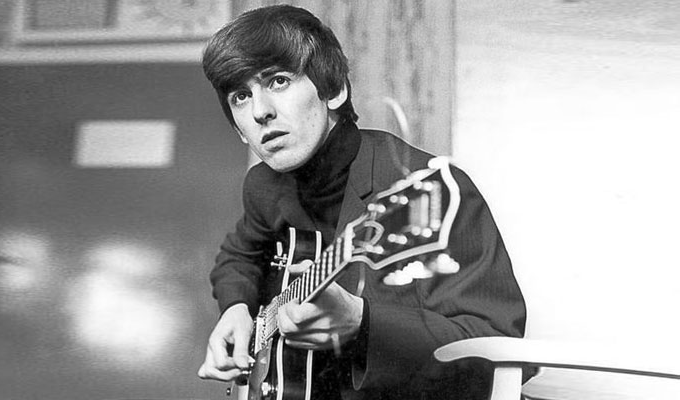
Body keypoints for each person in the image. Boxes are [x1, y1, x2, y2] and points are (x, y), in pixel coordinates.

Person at [197, 5, 526, 399]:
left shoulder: (426, 190)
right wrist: (236, 307)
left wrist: (362, 323)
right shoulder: (264, 186)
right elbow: (237, 257)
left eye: (279, 81)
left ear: (334, 89)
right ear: (238, 130)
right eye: (240, 96)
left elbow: (497, 350)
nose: (260, 111)